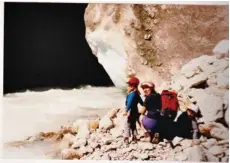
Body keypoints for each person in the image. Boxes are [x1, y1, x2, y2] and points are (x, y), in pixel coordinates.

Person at [123, 76, 144, 144]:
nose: (128, 87)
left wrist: (126, 110)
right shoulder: (137, 94)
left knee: (127, 124)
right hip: (135, 111)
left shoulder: (131, 94)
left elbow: (129, 103)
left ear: (132, 86)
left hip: (130, 111)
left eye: (128, 85)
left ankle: (126, 138)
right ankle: (134, 137)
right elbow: (141, 102)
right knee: (133, 124)